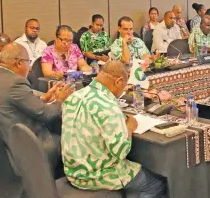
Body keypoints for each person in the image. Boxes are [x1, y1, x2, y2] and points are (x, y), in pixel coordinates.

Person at [62, 60, 167, 197]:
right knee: (157, 184)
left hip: (73, 171)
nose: (123, 90)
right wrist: (129, 128)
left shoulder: (75, 96)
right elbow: (121, 151)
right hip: (96, 175)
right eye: (124, 85)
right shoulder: (108, 105)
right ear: (118, 81)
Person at [0, 43, 74, 177]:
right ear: (19, 63)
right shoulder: (14, 82)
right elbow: (46, 114)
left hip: (5, 144)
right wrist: (60, 100)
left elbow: (16, 102)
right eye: (28, 62)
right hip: (28, 146)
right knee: (73, 139)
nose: (29, 68)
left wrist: (43, 98)